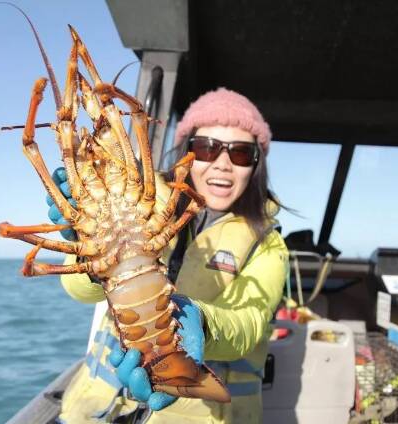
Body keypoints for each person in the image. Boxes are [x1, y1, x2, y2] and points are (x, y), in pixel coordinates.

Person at [47, 88, 289, 423]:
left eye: (241, 154)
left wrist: (203, 323)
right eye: (207, 148)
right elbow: (80, 291)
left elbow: (248, 323)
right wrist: (83, 246)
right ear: (186, 151)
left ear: (256, 166)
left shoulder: (268, 244)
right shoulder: (145, 199)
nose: (222, 164)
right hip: (98, 411)